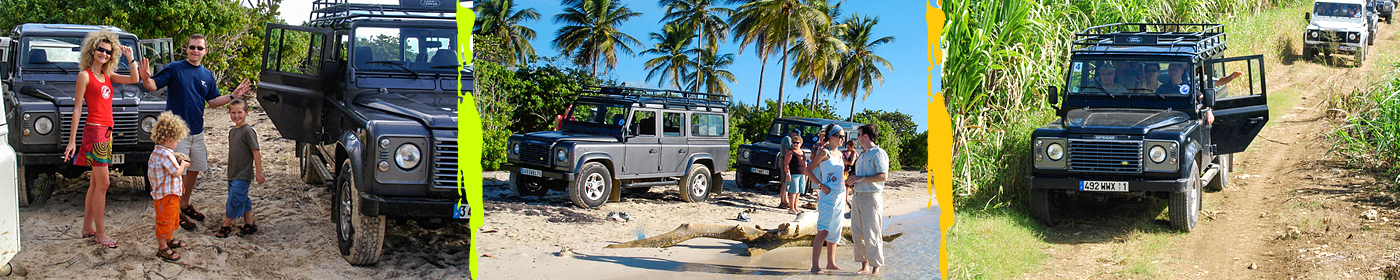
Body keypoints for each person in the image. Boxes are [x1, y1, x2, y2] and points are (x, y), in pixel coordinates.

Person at [138, 34, 252, 230]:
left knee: (193, 169)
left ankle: (184, 204)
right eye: (192, 47)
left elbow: (213, 102)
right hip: (176, 134)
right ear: (187, 48)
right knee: (176, 174)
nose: (195, 51)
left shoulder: (207, 75)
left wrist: (234, 95)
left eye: (200, 48)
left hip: (197, 131)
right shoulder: (175, 69)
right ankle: (176, 213)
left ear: (205, 51)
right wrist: (145, 76)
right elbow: (152, 85)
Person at [63, 30, 144, 249]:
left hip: (106, 133)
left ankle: (87, 227)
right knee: (104, 183)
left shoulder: (107, 76)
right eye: (101, 49)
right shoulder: (85, 76)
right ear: (92, 50)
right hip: (95, 132)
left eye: (108, 52)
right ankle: (100, 233)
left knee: (95, 183)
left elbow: (135, 79)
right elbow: (78, 109)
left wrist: (130, 58)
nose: (104, 54)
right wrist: (72, 141)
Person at [215, 99, 265, 238]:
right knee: (242, 198)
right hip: (232, 173)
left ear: (247, 112)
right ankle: (249, 224)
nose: (236, 116)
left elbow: (256, 152)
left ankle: (226, 226)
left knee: (234, 199)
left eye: (240, 112)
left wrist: (259, 172)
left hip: (243, 174)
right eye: (233, 112)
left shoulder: (248, 131)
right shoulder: (232, 131)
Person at [844, 124, 889, 275]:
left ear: (865, 136)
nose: (856, 138)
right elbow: (858, 176)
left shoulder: (879, 153)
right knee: (857, 234)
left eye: (858, 134)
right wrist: (852, 180)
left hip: (871, 198)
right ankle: (864, 267)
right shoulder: (861, 154)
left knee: (872, 233)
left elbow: (883, 176)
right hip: (857, 197)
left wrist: (861, 178)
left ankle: (876, 268)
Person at [804, 124, 848, 274]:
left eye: (844, 136)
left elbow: (840, 175)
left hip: (840, 194)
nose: (843, 139)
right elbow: (807, 170)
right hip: (827, 195)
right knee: (823, 230)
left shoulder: (841, 154)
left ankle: (831, 263)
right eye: (840, 136)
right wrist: (820, 185)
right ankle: (815, 266)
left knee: (835, 230)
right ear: (832, 137)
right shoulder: (824, 152)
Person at [148, 112, 191, 262]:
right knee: (164, 220)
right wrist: (184, 164)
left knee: (172, 218)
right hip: (165, 195)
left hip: (168, 193)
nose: (177, 143)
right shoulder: (166, 155)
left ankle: (169, 239)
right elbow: (175, 172)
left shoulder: (158, 151)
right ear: (169, 139)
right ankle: (162, 247)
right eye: (176, 140)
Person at [780, 132, 807, 215]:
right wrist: (788, 174)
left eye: (797, 143)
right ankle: (791, 208)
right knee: (793, 191)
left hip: (802, 174)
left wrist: (806, 175)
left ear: (801, 143)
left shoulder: (802, 152)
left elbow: (805, 163)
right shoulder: (790, 152)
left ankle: (795, 207)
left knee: (799, 191)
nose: (795, 144)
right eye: (794, 142)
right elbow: (786, 164)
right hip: (794, 174)